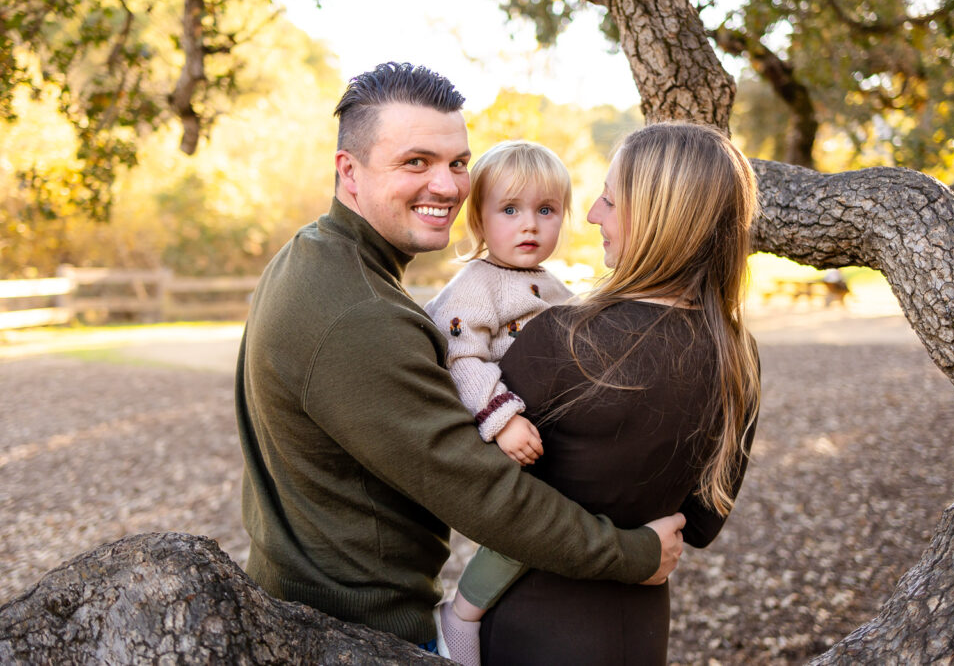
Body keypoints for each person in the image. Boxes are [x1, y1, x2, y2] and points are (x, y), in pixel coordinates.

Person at [234, 62, 686, 652]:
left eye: (457, 163)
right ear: (349, 172)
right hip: (357, 636)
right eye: (415, 162)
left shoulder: (310, 255)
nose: (447, 187)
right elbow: (483, 495)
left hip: (302, 608)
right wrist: (632, 553)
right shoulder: (361, 315)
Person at [478, 122, 762, 665]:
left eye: (609, 199)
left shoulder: (563, 336)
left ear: (658, 218)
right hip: (641, 630)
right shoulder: (737, 353)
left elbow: (478, 492)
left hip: (534, 628)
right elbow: (701, 524)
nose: (590, 214)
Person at [424, 141, 574, 663]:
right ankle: (462, 613)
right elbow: (460, 357)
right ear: (480, 221)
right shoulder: (477, 285)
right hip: (500, 434)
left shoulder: (554, 286)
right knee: (524, 527)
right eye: (510, 210)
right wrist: (503, 418)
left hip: (547, 435)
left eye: (545, 211)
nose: (529, 225)